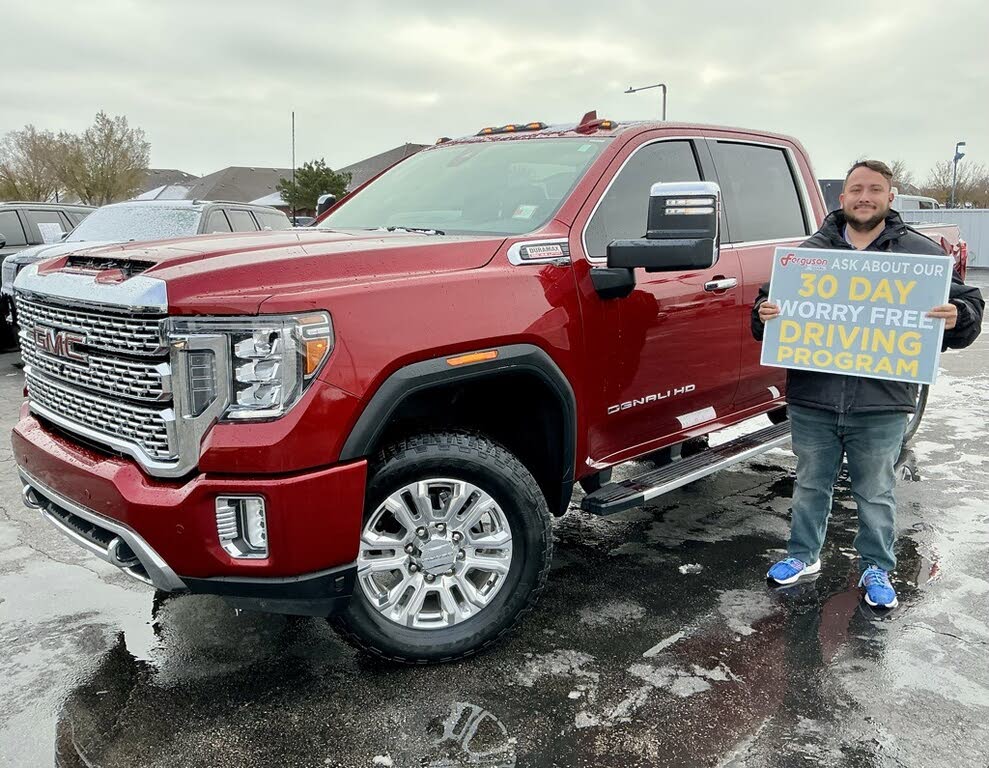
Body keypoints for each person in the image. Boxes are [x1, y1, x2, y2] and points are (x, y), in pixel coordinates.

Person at [751, 160, 984, 608]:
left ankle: (876, 567)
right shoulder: (809, 253)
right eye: (856, 188)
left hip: (882, 402)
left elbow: (969, 305)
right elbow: (767, 308)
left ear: (889, 197)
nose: (864, 196)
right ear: (843, 198)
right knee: (810, 485)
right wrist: (764, 314)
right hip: (814, 397)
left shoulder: (921, 255)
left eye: (875, 189)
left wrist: (959, 318)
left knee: (875, 491)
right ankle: (803, 556)